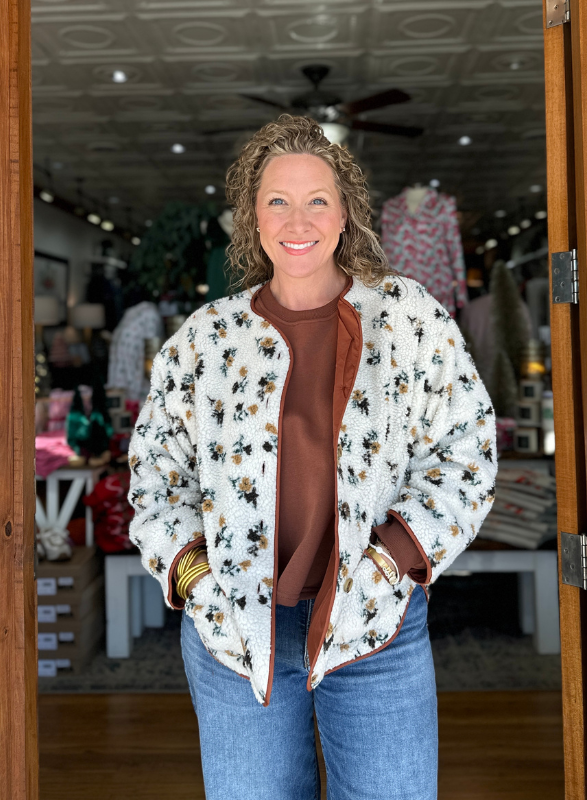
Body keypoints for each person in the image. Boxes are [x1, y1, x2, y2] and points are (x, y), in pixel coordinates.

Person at [128, 114, 498, 800]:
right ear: (252, 217)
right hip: (236, 633)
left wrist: (395, 559)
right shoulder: (204, 341)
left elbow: (466, 448)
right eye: (277, 200)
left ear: (346, 212)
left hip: (374, 624)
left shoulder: (408, 318)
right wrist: (196, 574)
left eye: (317, 199)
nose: (298, 219)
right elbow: (156, 476)